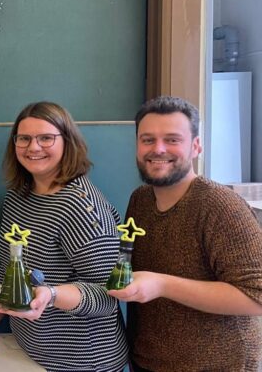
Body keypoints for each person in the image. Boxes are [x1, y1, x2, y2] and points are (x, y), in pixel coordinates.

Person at [0, 101, 128, 371]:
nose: (33, 147)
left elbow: (110, 294)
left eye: (46, 138)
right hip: (29, 350)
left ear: (67, 142)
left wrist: (50, 295)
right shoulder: (18, 196)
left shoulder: (83, 208)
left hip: (83, 361)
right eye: (24, 138)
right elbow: (8, 268)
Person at [108, 96, 262, 371]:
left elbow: (256, 296)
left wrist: (162, 285)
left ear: (196, 146)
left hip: (219, 365)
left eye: (172, 139)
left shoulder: (220, 206)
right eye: (147, 140)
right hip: (147, 361)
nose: (158, 149)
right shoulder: (140, 200)